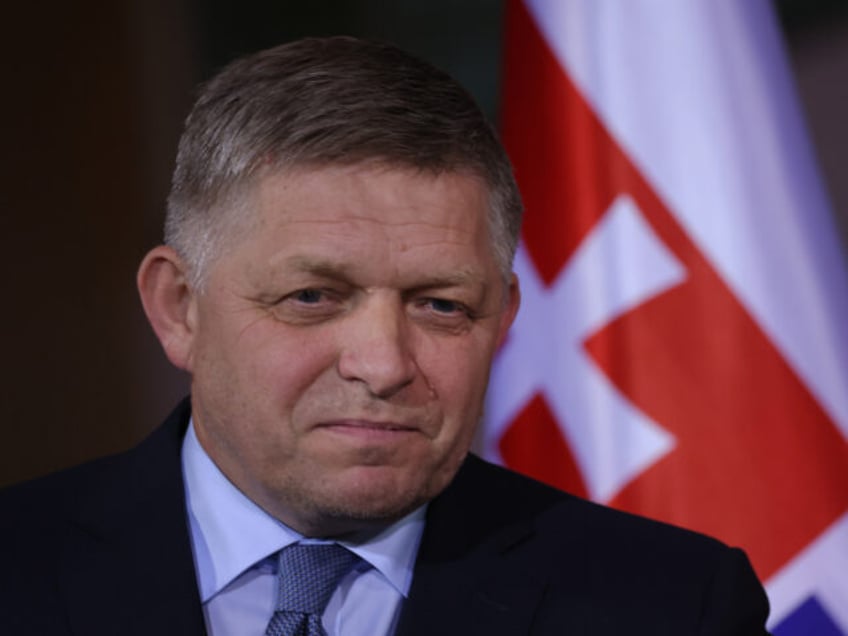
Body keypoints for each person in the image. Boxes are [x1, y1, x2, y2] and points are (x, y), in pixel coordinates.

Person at [0, 37, 770, 635]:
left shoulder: (673, 606)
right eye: (312, 296)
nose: (384, 365)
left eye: (440, 305)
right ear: (179, 308)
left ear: (502, 316)